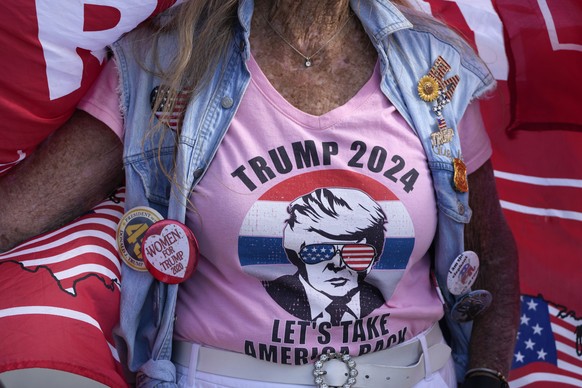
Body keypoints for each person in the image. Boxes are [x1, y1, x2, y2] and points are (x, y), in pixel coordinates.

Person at [78, 0, 520, 387]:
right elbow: (31, 207)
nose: (338, 263)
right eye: (315, 252)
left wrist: (487, 375)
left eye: (359, 252)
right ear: (293, 251)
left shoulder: (432, 64)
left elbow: (489, 250)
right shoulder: (166, 61)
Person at [264, 187, 386, 324]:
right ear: (296, 253)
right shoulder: (270, 294)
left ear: (373, 258)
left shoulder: (381, 297)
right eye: (319, 252)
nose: (338, 265)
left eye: (356, 253)